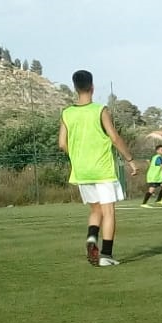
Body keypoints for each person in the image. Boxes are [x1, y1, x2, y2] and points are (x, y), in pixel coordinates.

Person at [58, 69, 138, 266]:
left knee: (95, 210)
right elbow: (114, 137)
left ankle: (92, 238)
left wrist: (78, 157)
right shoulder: (100, 110)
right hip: (101, 169)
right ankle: (106, 256)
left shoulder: (67, 113)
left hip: (82, 171)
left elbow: (62, 143)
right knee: (108, 211)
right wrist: (129, 159)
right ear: (92, 87)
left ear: (75, 88)